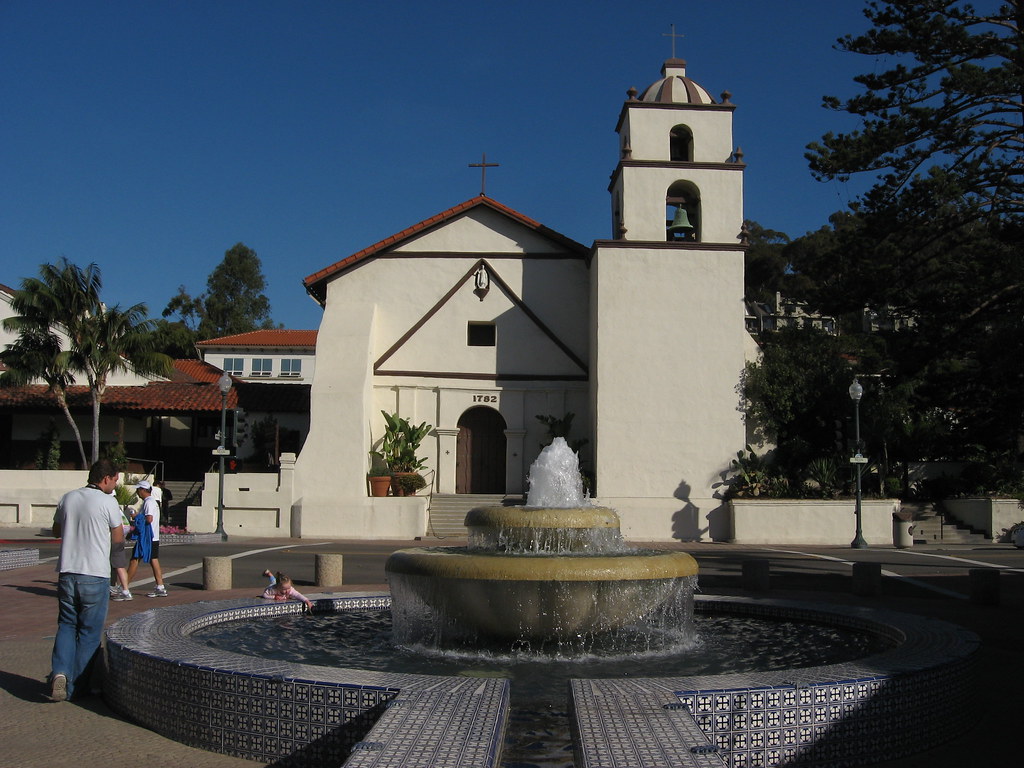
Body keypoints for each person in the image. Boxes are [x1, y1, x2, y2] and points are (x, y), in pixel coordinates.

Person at [49, 458, 124, 701]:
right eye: (115, 480)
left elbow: (56, 531)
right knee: (90, 633)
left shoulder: (68, 498)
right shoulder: (108, 502)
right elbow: (118, 537)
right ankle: (75, 687)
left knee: (67, 625)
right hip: (94, 574)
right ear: (105, 479)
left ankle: (60, 672)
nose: (115, 484)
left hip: (67, 573)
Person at [125, 480, 167, 597]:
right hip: (152, 536)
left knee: (135, 559)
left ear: (143, 490)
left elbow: (149, 519)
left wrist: (136, 516)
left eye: (138, 490)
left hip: (147, 537)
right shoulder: (151, 502)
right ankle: (160, 586)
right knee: (153, 559)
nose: (137, 492)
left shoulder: (148, 502)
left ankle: (124, 587)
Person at [109, 501, 132, 601]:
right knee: (116, 565)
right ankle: (114, 587)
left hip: (114, 540)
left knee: (118, 566)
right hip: (120, 539)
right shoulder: (118, 509)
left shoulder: (111, 509)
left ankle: (125, 591)